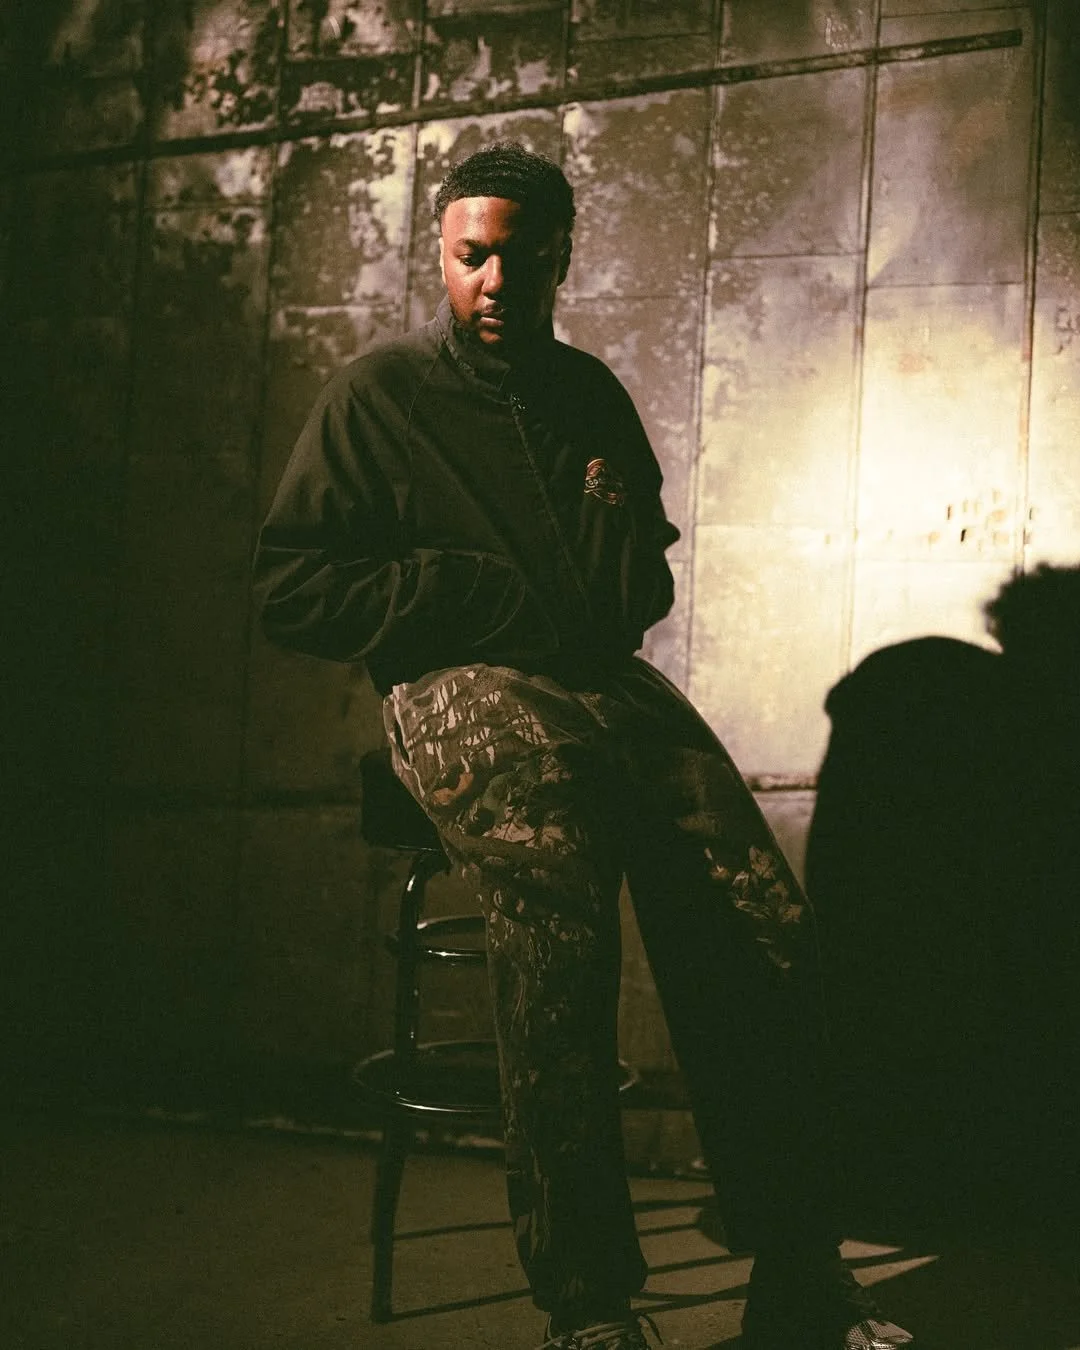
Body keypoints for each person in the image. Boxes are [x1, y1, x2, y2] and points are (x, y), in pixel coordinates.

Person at [253, 142, 918, 1350]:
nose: (492, 280)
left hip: (599, 688)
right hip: (449, 685)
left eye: (517, 255)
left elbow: (632, 599)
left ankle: (801, 1266)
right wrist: (455, 588)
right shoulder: (377, 396)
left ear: (562, 255)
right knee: (558, 915)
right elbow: (293, 592)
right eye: (469, 257)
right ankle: (592, 1308)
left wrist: (611, 542)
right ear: (442, 257)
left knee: (759, 913)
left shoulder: (589, 395)